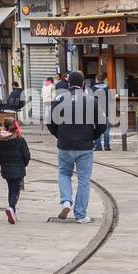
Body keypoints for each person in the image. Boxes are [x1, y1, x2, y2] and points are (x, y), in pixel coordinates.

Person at [48, 70, 104, 223]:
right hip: (85, 146)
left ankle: (66, 200)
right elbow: (102, 125)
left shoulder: (59, 100)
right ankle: (80, 214)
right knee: (84, 180)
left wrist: (59, 135)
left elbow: (50, 123)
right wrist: (92, 136)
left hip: (64, 145)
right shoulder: (91, 101)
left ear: (68, 83)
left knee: (64, 173)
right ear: (83, 83)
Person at [0, 118, 31, 224]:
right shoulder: (20, 139)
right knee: (16, 190)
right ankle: (11, 207)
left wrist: (2, 163)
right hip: (19, 168)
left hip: (6, 168)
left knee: (11, 188)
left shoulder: (0, 139)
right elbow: (26, 155)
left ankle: (13, 212)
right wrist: (24, 164)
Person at [93, 71, 112, 151]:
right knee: (106, 129)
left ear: (96, 79)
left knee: (96, 128)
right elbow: (110, 100)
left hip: (96, 111)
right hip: (106, 111)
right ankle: (107, 146)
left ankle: (98, 146)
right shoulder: (107, 88)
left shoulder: (92, 89)